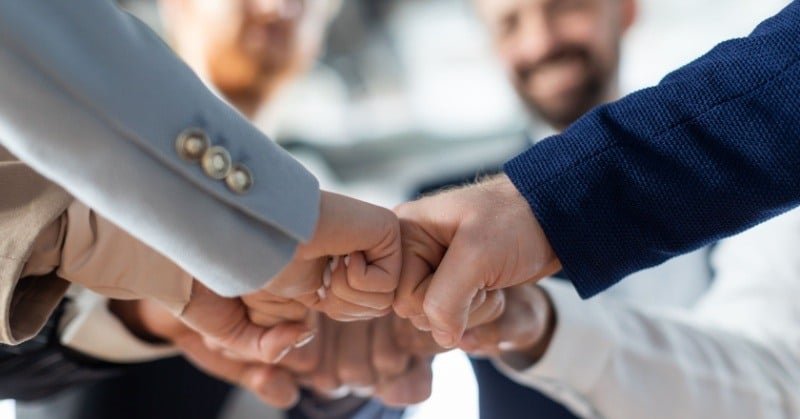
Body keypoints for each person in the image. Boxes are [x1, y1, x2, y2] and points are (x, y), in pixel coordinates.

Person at [393, 0, 800, 349]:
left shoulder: (755, 164)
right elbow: (389, 371)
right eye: (509, 24)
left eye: (566, 6)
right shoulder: (441, 213)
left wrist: (542, 205)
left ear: (625, 9)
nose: (540, 43)